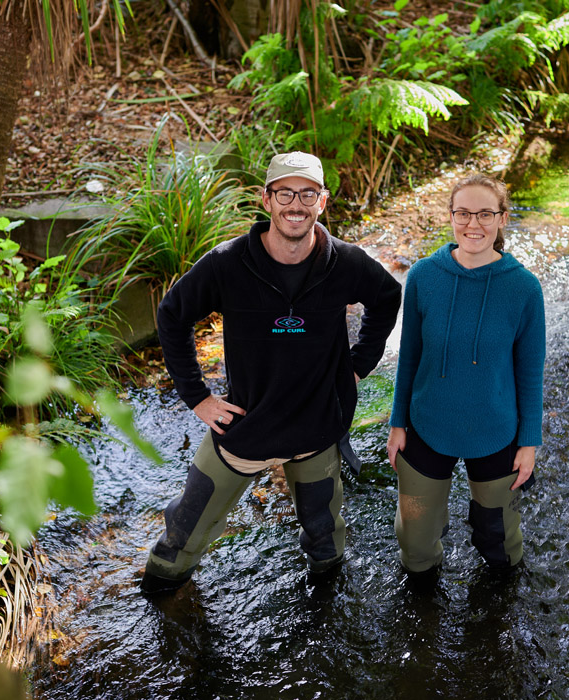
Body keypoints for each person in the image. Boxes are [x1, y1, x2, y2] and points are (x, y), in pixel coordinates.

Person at [141, 151, 402, 594]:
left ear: (322, 201)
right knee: (181, 537)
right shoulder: (227, 263)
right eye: (285, 193)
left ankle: (324, 609)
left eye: (307, 193)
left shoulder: (346, 261)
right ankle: (162, 595)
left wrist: (359, 364)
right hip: (245, 427)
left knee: (326, 541)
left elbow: (388, 297)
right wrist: (197, 397)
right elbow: (172, 316)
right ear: (266, 199)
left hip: (318, 428)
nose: (295, 204)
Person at [386, 173, 545, 574]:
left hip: (495, 429)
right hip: (426, 424)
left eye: (485, 214)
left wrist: (529, 441)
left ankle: (499, 616)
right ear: (451, 217)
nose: (473, 224)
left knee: (501, 545)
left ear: (502, 219)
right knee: (416, 544)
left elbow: (529, 372)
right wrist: (397, 422)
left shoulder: (524, 288)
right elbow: (410, 354)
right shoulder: (423, 276)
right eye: (463, 213)